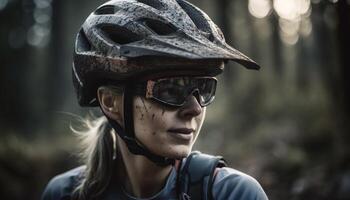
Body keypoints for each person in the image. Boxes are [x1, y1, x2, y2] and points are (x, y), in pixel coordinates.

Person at [42, 0, 268, 199]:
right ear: (110, 102)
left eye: (204, 88)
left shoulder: (232, 194)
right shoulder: (64, 193)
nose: (195, 109)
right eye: (169, 89)